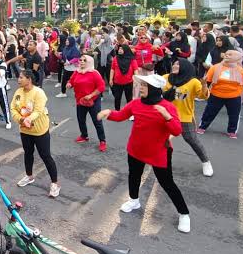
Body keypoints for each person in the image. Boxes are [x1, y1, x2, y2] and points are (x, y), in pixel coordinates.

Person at [98, 73, 191, 233]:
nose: (140, 88)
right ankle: (134, 200)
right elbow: (121, 115)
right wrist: (109, 113)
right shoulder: (136, 104)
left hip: (158, 152)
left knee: (167, 183)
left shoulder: (167, 107)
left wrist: (167, 116)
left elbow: (177, 131)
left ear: (154, 89)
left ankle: (184, 214)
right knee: (133, 175)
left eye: (144, 86)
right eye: (140, 85)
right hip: (136, 148)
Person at [11, 70, 60, 198]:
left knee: (45, 155)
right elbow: (13, 109)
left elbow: (38, 111)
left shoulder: (39, 93)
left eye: (21, 77)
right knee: (28, 153)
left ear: (29, 79)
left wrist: (28, 119)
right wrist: (21, 119)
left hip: (39, 130)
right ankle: (29, 176)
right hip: (24, 130)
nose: (18, 79)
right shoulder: (18, 92)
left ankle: (55, 184)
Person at [163, 58, 214, 177]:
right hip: (166, 115)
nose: (174, 65)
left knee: (192, 140)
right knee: (162, 139)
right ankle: (161, 160)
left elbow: (202, 96)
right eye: (174, 64)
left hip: (184, 117)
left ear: (185, 67)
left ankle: (206, 162)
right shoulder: (165, 78)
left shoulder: (193, 82)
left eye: (178, 64)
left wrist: (204, 85)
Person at [198, 50, 243, 138]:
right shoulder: (215, 67)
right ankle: (202, 126)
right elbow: (207, 81)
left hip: (234, 96)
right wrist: (202, 91)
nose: (227, 56)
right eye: (226, 54)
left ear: (237, 58)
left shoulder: (240, 70)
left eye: (230, 55)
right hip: (216, 95)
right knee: (209, 112)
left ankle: (232, 131)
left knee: (234, 115)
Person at [66, 55, 107, 152]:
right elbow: (71, 81)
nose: (82, 62)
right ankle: (84, 136)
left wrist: (91, 95)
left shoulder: (94, 73)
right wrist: (69, 84)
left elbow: (101, 87)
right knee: (81, 119)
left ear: (89, 62)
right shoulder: (77, 71)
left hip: (93, 101)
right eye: (80, 60)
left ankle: (102, 141)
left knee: (97, 121)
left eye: (84, 60)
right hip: (80, 100)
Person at [110, 44, 138, 110]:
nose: (119, 50)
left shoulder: (132, 59)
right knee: (117, 98)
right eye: (119, 49)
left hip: (128, 82)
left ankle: (129, 112)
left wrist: (136, 80)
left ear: (126, 50)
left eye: (121, 49)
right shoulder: (115, 58)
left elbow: (135, 70)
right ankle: (117, 111)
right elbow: (112, 69)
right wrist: (111, 79)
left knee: (129, 98)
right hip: (117, 82)